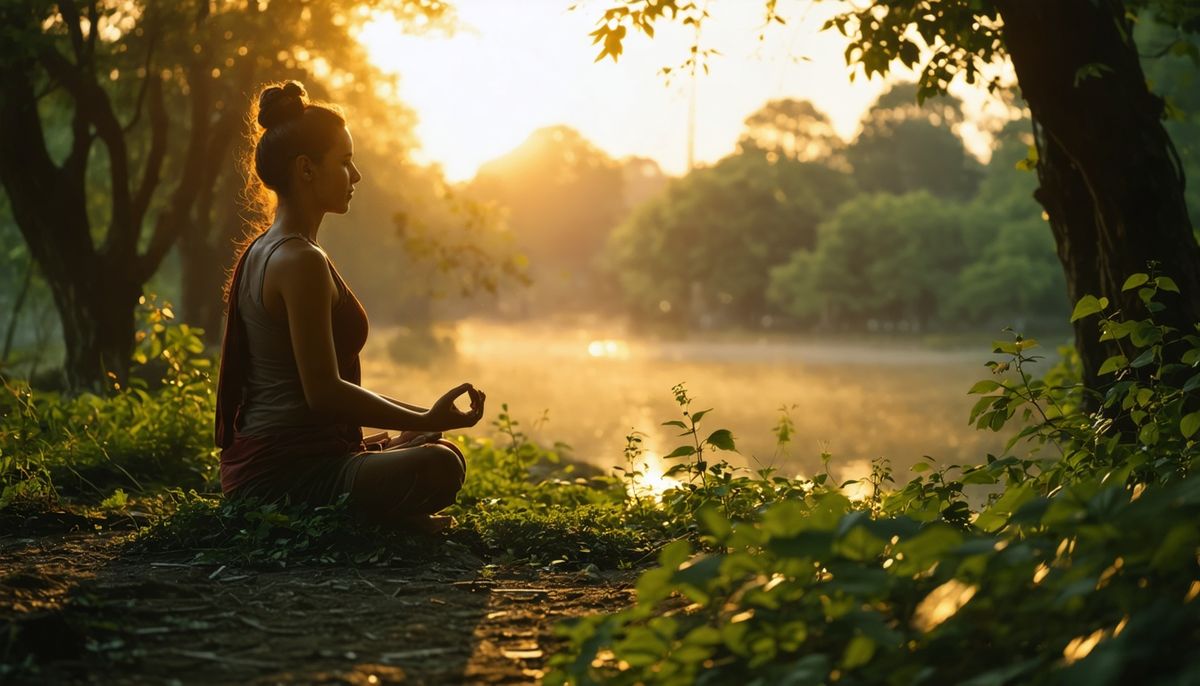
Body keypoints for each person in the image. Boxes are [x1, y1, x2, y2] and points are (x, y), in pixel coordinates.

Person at [214, 81, 484, 534]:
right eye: (344, 162)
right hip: (280, 477)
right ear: (306, 169)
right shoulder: (298, 259)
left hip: (292, 462)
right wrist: (423, 416)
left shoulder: (270, 247)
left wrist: (421, 420)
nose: (355, 176)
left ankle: (379, 513)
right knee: (440, 465)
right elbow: (324, 393)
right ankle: (370, 523)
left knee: (432, 445)